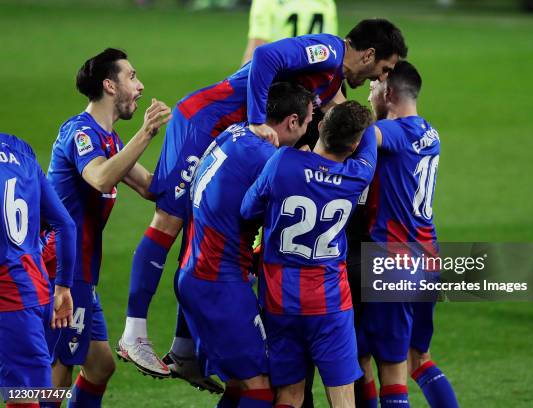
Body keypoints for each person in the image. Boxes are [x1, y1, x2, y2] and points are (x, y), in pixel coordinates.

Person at [120, 18, 407, 382]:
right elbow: (266, 55)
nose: (380, 79)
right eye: (384, 70)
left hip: (230, 133)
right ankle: (134, 332)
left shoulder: (333, 79)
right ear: (368, 54)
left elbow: (341, 119)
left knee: (200, 231)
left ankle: (184, 349)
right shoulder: (330, 51)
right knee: (168, 221)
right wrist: (258, 121)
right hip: (205, 121)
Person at [43, 48, 171, 408]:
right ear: (109, 86)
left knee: (99, 366)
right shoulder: (80, 133)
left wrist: (194, 162)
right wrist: (146, 133)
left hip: (81, 267)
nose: (140, 86)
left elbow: (149, 187)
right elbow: (100, 178)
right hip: (61, 268)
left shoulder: (110, 139)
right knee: (57, 370)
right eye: (132, 77)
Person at [177, 82, 314, 408]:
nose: (310, 129)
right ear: (292, 122)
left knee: (241, 382)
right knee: (260, 386)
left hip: (195, 273)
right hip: (218, 282)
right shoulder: (268, 158)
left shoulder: (236, 132)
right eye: (308, 122)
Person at [240, 101, 376, 407]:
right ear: (353, 144)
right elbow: (369, 142)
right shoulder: (357, 175)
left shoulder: (282, 162)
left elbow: (247, 209)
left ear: (322, 127)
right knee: (342, 397)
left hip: (279, 299)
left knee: (289, 394)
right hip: (330, 303)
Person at [355, 61, 459, 408]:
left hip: (393, 260)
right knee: (419, 358)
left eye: (374, 85)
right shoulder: (430, 132)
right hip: (428, 257)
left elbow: (360, 132)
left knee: (388, 368)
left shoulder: (392, 134)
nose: (369, 90)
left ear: (390, 93)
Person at [0, 133, 75, 408]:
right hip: (34, 293)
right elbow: (65, 225)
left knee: (25, 397)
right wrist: (64, 286)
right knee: (31, 393)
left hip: (11, 297)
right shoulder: (19, 149)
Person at [241, 0, 338, 65]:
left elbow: (254, 52)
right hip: (313, 78)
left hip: (280, 75)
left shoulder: (265, 2)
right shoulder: (327, 2)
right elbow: (331, 47)